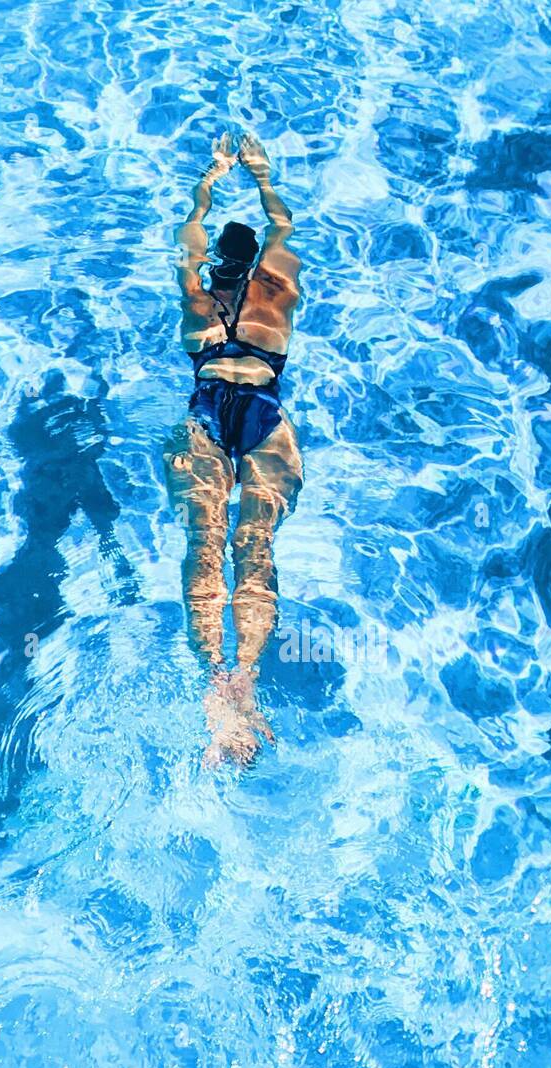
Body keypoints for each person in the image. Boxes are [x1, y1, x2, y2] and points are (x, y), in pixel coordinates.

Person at [166, 133, 302, 767]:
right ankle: (243, 676)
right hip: (265, 412)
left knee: (208, 539)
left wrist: (212, 177)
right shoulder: (276, 284)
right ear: (255, 264)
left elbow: (187, 232)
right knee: (256, 545)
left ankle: (219, 679)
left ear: (219, 260)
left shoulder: (196, 295)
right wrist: (261, 174)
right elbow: (283, 223)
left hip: (208, 411)